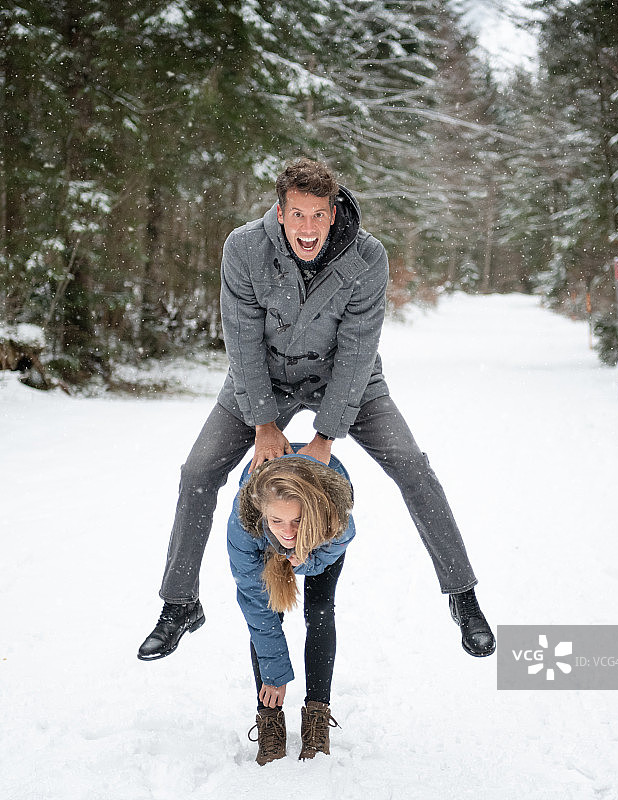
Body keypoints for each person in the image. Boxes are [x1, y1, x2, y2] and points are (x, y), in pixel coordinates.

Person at [137, 157, 495, 663]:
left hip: (346, 381)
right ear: (280, 213)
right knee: (197, 470)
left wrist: (326, 436)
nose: (309, 228)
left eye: (319, 215)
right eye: (298, 214)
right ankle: (179, 603)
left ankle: (463, 595)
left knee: (413, 466)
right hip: (264, 380)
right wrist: (263, 423)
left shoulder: (368, 257)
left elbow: (358, 347)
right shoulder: (243, 249)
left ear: (333, 212)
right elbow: (240, 341)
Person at [228, 451, 354, 764]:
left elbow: (344, 537)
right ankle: (269, 719)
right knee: (267, 613)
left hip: (319, 540)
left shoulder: (332, 518)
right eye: (277, 521)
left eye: (297, 521)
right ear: (262, 515)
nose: (287, 531)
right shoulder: (245, 527)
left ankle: (317, 714)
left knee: (320, 609)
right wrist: (274, 674)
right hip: (263, 543)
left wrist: (310, 559)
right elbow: (257, 608)